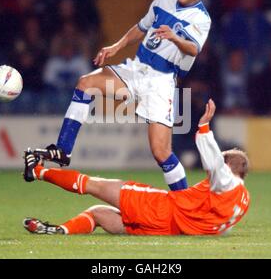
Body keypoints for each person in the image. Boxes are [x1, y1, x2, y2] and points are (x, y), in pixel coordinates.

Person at [33, 0, 211, 191]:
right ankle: (63, 150)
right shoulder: (162, 1)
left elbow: (193, 49)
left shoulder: (201, 18)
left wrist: (175, 38)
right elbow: (141, 28)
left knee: (161, 153)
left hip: (161, 81)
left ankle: (186, 203)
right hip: (137, 68)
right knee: (86, 83)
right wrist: (116, 47)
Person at [22, 99, 250, 236]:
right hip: (167, 230)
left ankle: (37, 171)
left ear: (229, 166)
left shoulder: (227, 180)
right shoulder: (242, 202)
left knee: (94, 185)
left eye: (222, 160)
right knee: (98, 213)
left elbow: (215, 163)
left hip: (160, 208)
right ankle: (59, 230)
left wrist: (203, 127)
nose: (213, 171)